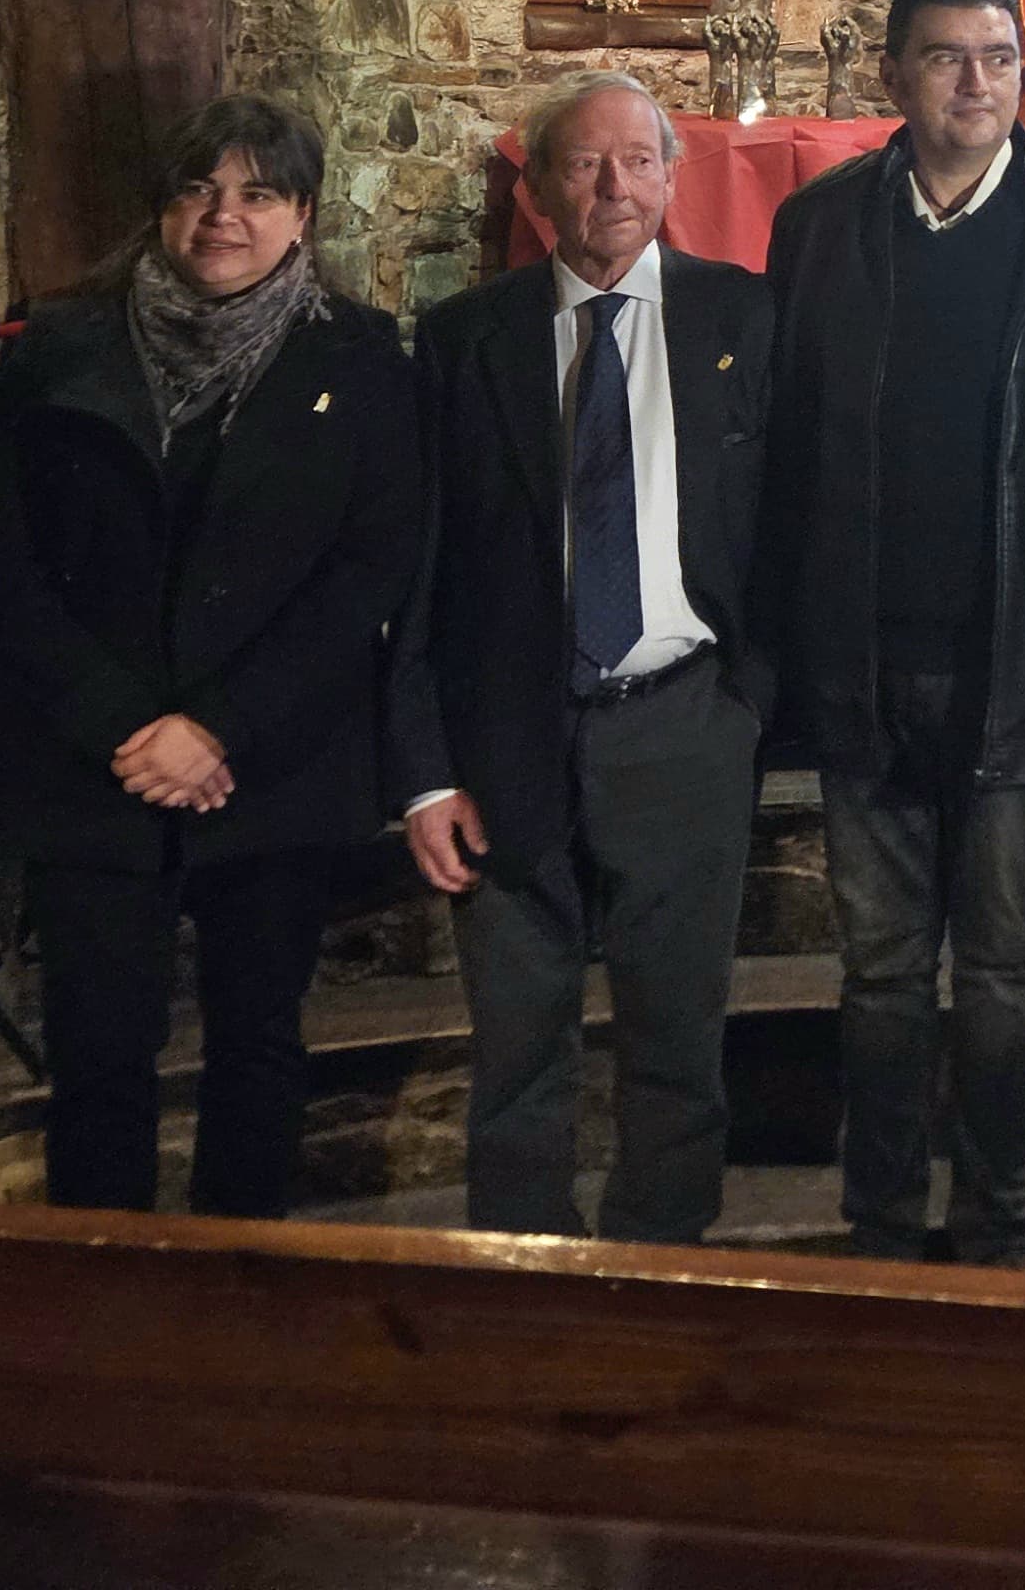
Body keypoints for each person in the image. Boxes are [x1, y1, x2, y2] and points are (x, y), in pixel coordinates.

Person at [765, 0, 1025, 1268]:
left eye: (1000, 59)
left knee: (1001, 970)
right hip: (868, 662)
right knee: (882, 975)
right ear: (894, 75)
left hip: (1021, 663)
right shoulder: (819, 228)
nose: (977, 83)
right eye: (945, 58)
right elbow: (793, 444)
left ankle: (998, 1212)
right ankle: (882, 1215)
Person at [0, 94, 420, 1218]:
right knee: (96, 1063)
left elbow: (370, 567)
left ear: (302, 215)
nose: (224, 216)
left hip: (269, 765)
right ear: (161, 208)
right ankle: (96, 1312)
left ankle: (234, 1306)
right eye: (197, 190)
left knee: (258, 1050)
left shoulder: (358, 358)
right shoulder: (60, 342)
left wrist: (216, 725)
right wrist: (124, 724)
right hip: (92, 765)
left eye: (257, 193)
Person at [394, 71, 775, 1241]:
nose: (613, 186)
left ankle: (665, 1285)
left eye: (638, 161)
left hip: (680, 727)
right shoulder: (466, 339)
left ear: (671, 175)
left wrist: (748, 708)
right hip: (508, 733)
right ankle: (518, 1291)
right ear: (541, 184)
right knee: (516, 1052)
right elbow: (417, 572)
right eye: (584, 162)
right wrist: (423, 771)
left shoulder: (745, 321)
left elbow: (798, 523)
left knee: (676, 1047)